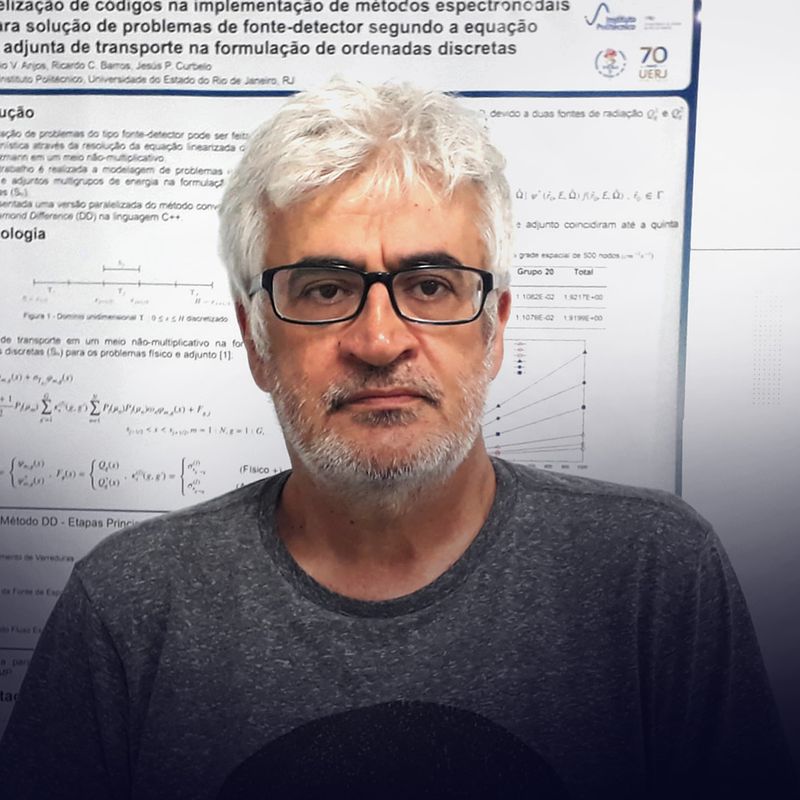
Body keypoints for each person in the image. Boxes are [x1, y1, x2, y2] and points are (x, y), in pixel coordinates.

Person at [0, 79, 795, 800]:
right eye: (324, 289)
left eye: (429, 285)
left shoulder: (655, 575)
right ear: (255, 340)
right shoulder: (130, 606)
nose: (380, 341)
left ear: (494, 331)